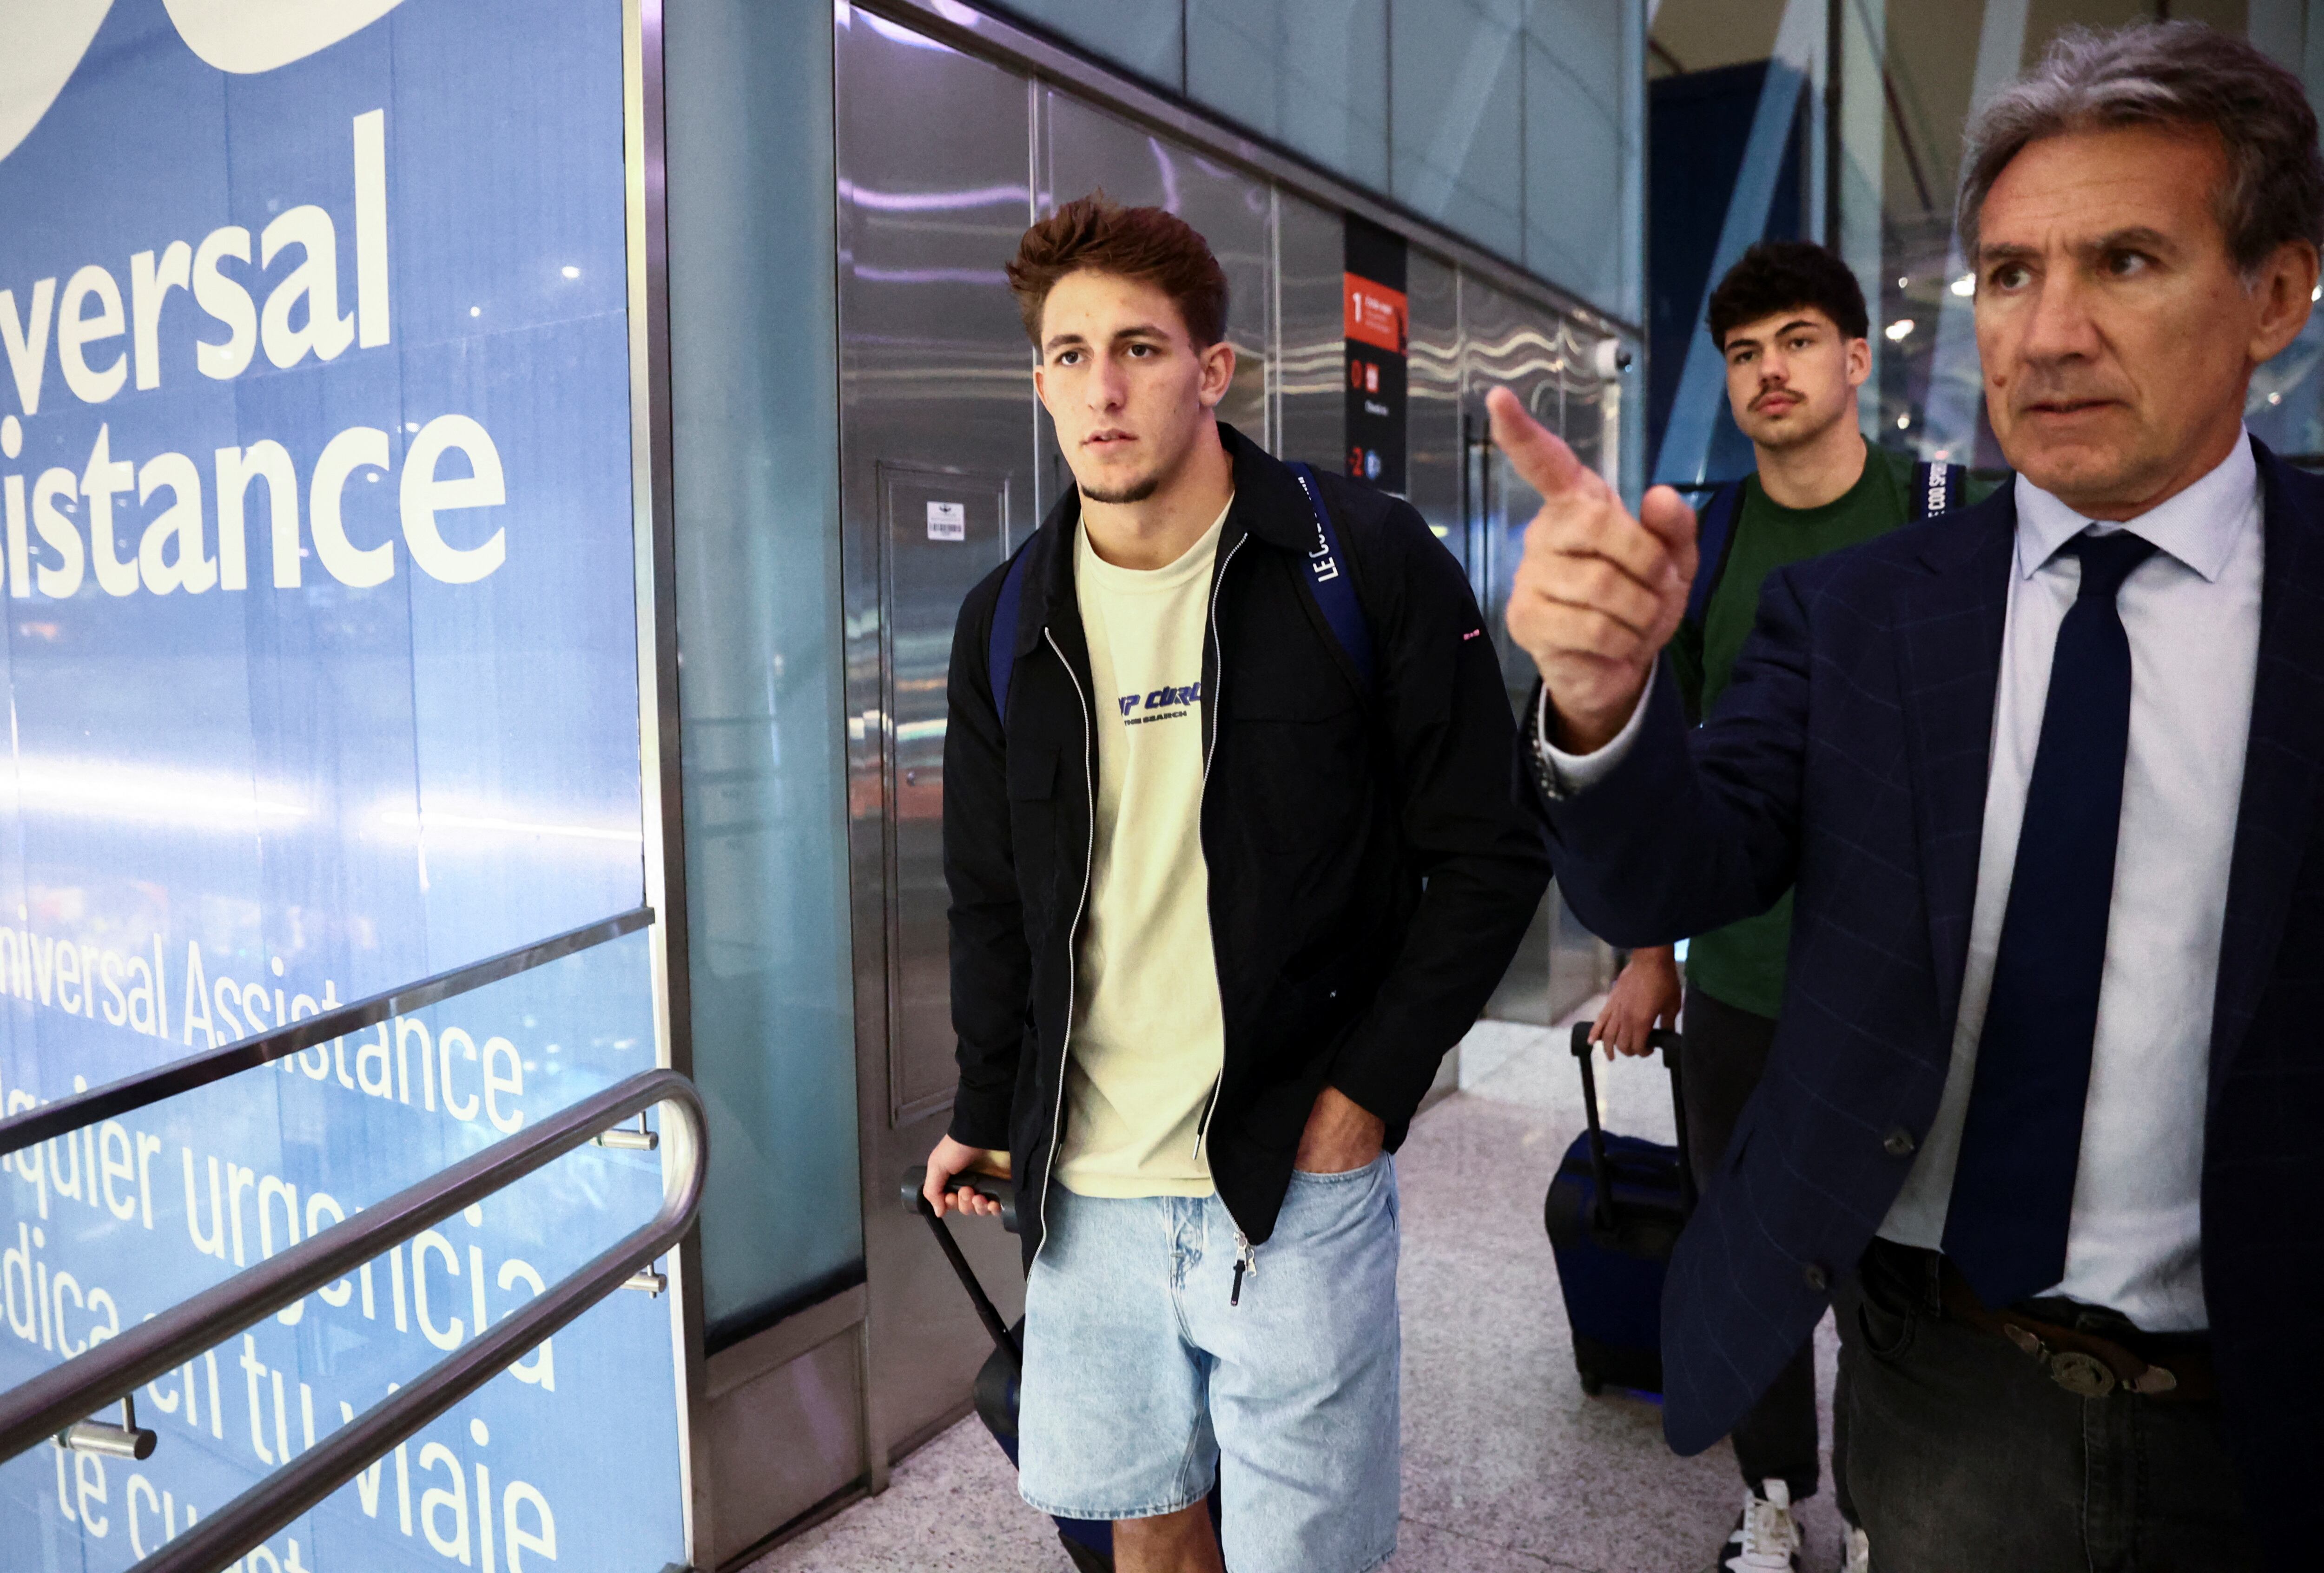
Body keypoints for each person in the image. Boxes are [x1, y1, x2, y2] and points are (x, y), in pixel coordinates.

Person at [1498, 22, 2323, 1571]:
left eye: (2127, 262)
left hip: (2268, 1390)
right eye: (2010, 275)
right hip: (1943, 1373)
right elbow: (1691, 853)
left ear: (2274, 294)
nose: (2049, 333)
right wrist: (1601, 706)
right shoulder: (1872, 611)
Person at [922, 194, 1550, 1573]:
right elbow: (992, 898)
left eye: (1140, 348)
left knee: (1300, 1555)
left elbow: (1494, 850)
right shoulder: (1006, 621)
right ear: (1038, 379)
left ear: (1214, 369)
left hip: (1290, 1170)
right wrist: (986, 1106)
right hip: (1086, 1181)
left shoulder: (1362, 558)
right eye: (1070, 354)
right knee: (1143, 1518)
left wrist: (1368, 1091)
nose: (1103, 388)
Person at [1588, 239, 1980, 1573]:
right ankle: (1770, 1492)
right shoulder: (1718, 539)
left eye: (1798, 340)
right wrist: (1650, 953)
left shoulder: (1949, 508)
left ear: (1857, 358)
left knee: (1898, 1264)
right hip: (1749, 976)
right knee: (1744, 1247)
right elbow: (1671, 765)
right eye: (1746, 352)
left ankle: (1880, 1500)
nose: (1771, 371)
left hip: (1912, 979)